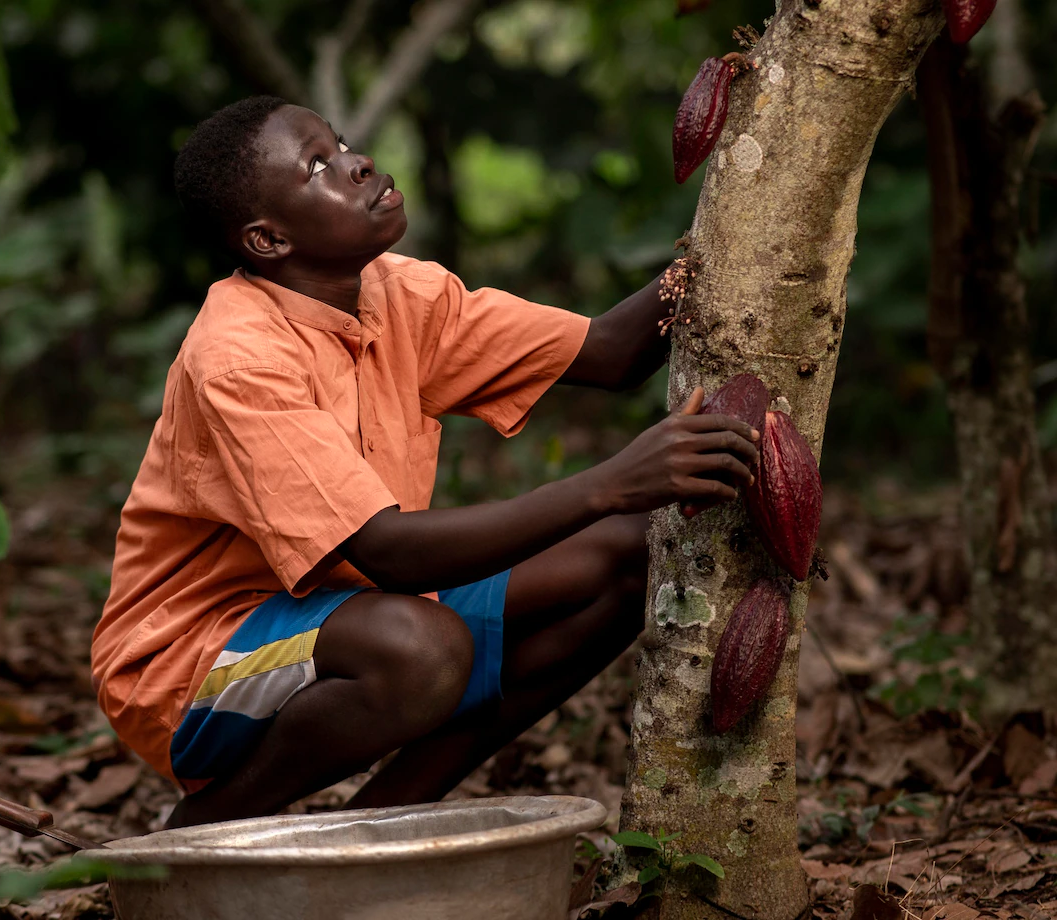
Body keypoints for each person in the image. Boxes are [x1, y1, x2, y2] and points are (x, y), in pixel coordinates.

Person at [90, 95, 759, 829]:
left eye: (340, 143)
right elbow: (389, 554)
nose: (358, 161)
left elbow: (610, 351)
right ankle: (204, 829)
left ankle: (380, 826)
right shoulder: (240, 356)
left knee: (631, 556)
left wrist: (738, 229)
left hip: (352, 607)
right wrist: (611, 484)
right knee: (423, 650)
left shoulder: (395, 293)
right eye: (319, 166)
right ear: (268, 239)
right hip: (191, 659)